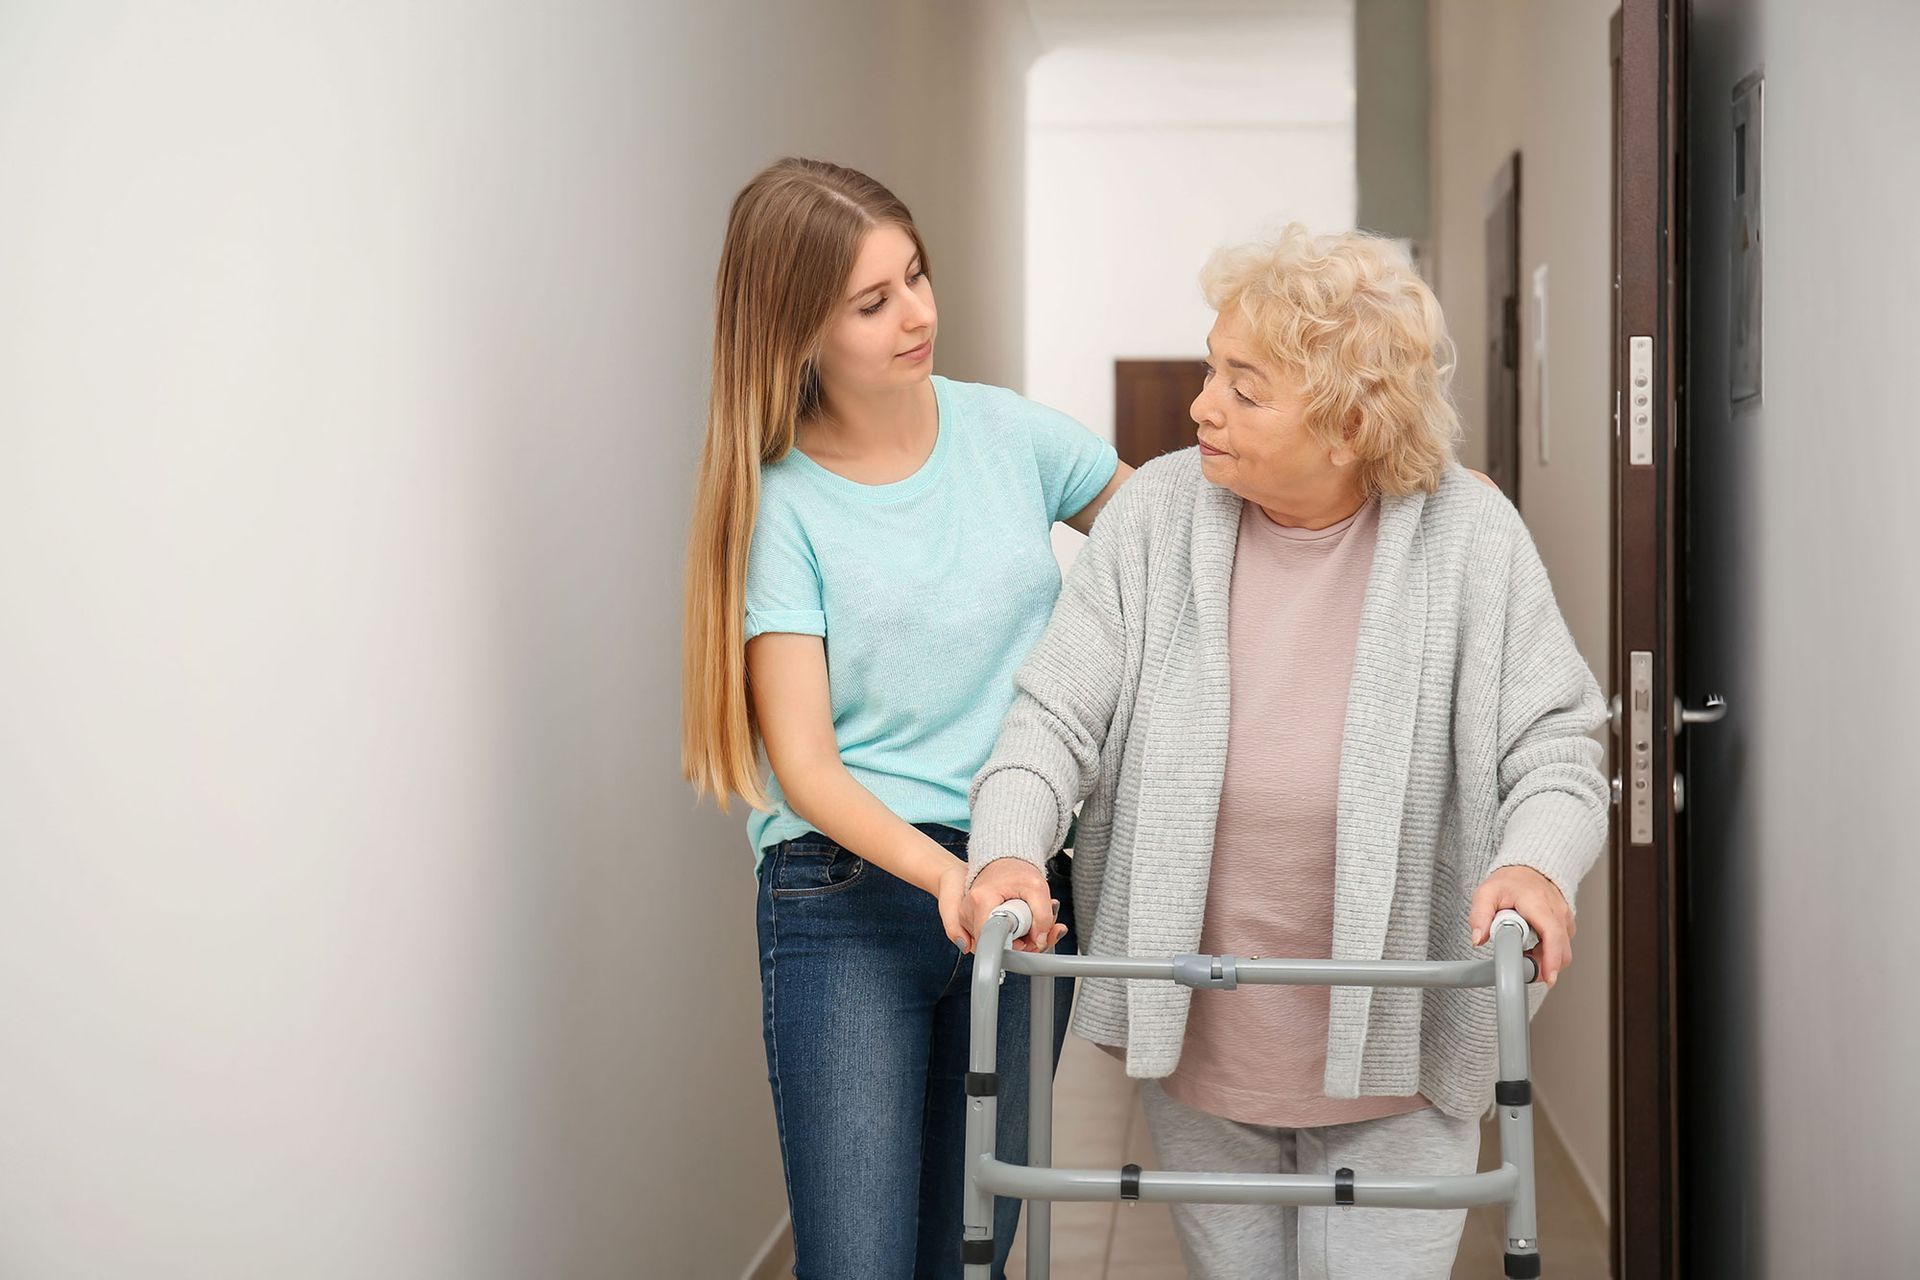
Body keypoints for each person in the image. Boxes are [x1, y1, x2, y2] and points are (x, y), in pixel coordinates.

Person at [961, 224, 1609, 1279]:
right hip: (1211, 1052)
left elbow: (1558, 744)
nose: (1202, 403)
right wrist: (1008, 850)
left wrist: (1536, 861)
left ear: (1352, 422)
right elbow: (1051, 718)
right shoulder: (1158, 517)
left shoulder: (1469, 536)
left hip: (1403, 1048)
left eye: (1245, 388)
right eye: (1213, 368)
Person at [680, 156, 1131, 1278]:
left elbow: (1169, 546)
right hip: (851, 898)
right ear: (797, 331)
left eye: (916, 276)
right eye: (872, 302)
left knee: (970, 1256)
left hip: (1020, 882)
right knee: (861, 1263)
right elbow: (806, 765)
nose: (917, 313)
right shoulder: (784, 502)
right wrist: (944, 879)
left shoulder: (1013, 437)